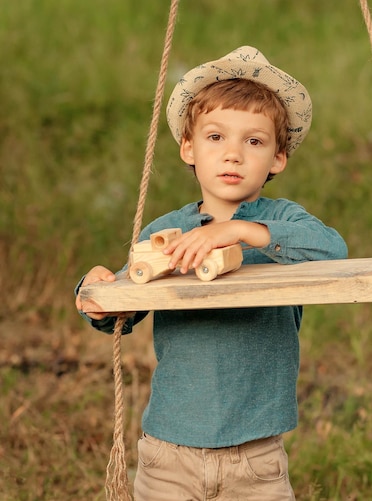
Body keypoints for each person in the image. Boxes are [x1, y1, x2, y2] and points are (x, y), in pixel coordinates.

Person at [75, 46, 348, 500]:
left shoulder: (282, 221)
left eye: (254, 141)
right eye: (216, 137)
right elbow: (123, 308)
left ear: (278, 158)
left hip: (255, 455)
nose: (233, 155)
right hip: (169, 452)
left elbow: (333, 251)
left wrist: (241, 230)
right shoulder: (168, 230)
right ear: (189, 147)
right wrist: (97, 294)